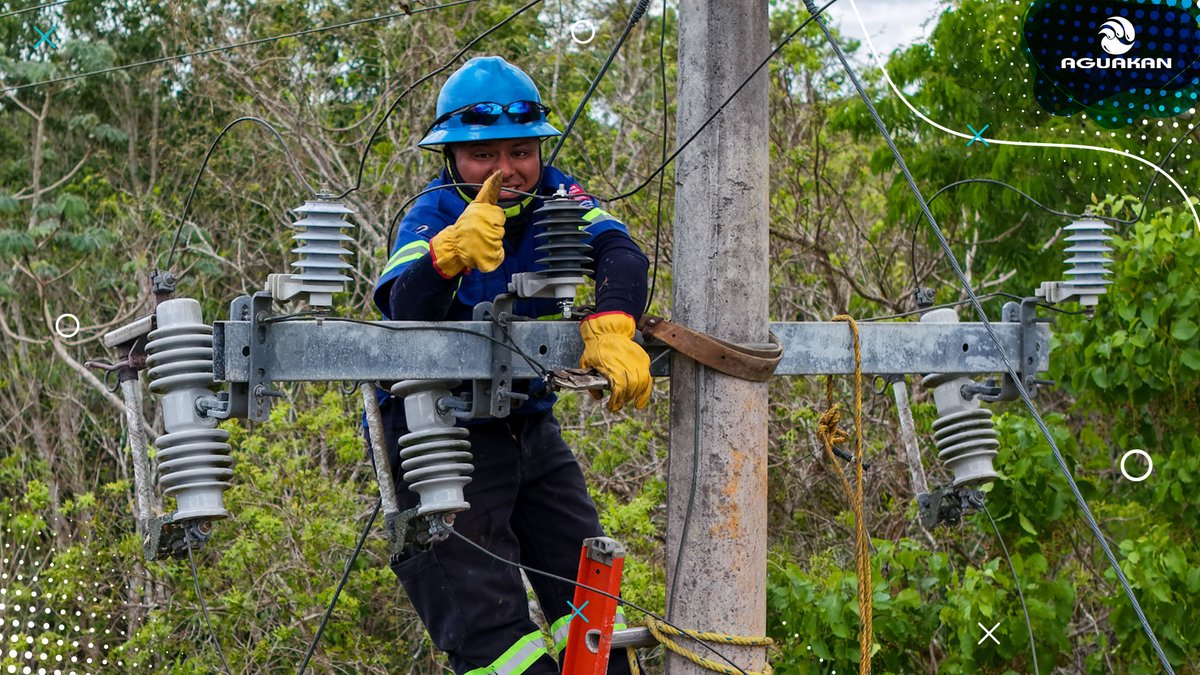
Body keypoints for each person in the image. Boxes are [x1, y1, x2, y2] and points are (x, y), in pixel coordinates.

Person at [370, 55, 650, 675]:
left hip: (527, 423)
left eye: (521, 152)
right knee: (489, 627)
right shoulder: (433, 212)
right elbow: (403, 307)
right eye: (483, 155)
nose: (506, 169)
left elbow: (620, 251)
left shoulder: (559, 193)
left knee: (589, 599)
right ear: (451, 158)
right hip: (439, 431)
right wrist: (446, 257)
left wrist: (612, 322)